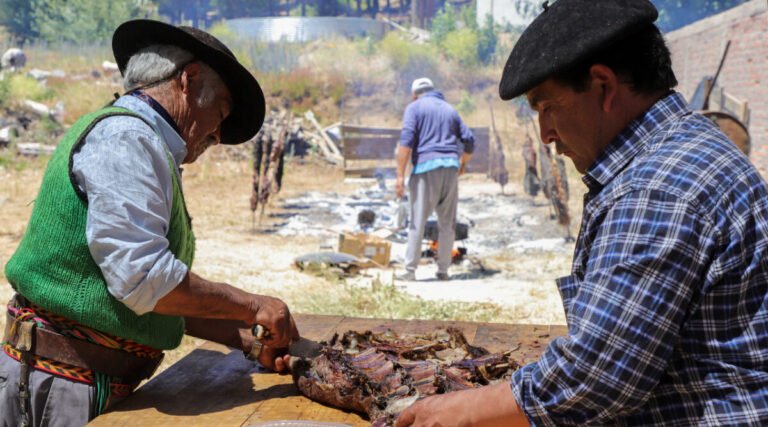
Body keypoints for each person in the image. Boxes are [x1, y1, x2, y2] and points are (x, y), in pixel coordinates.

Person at [396, 0, 768, 425]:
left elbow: (596, 377)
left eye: (547, 108)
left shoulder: (657, 189)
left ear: (603, 86)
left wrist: (462, 409)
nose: (545, 134)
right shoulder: (685, 144)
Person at [1, 20, 299, 426]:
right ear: (188, 80)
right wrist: (253, 306)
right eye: (220, 113)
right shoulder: (127, 139)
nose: (217, 134)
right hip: (63, 386)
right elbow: (145, 279)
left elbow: (147, 298)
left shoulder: (141, 141)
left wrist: (245, 337)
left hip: (80, 381)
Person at [395, 77, 475, 282]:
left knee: (417, 222)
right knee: (447, 224)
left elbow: (406, 143)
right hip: (450, 168)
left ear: (414, 94)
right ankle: (443, 271)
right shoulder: (450, 110)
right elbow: (469, 141)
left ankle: (410, 270)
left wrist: (400, 175)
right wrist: (462, 164)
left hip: (425, 169)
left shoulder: (414, 108)